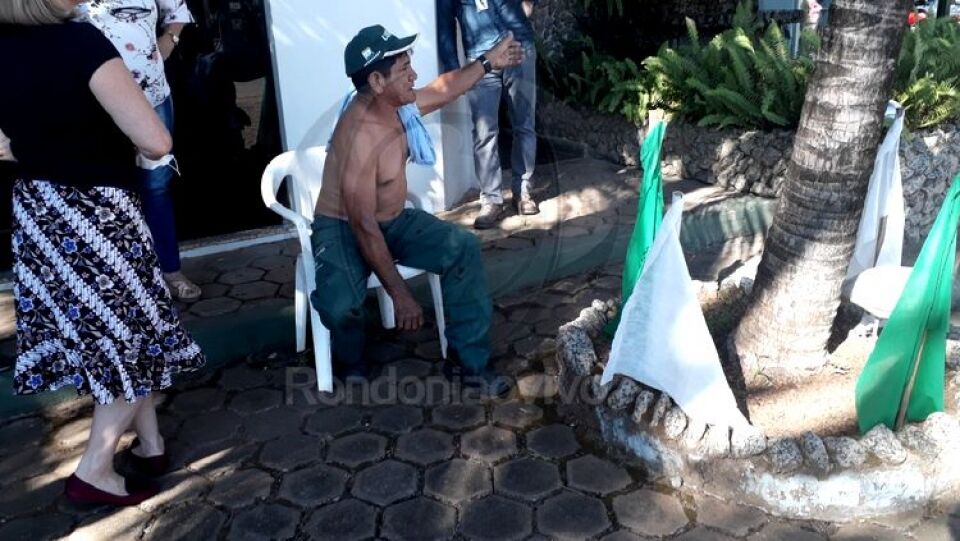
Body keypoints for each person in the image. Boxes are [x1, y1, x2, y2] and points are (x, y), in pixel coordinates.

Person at [0, 0, 205, 505]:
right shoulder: (82, 43)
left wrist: (36, 145)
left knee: (111, 334)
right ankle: (94, 471)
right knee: (131, 337)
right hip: (96, 216)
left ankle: (152, 446)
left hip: (39, 214)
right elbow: (156, 141)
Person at [312, 24, 523, 395]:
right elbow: (362, 225)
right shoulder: (359, 135)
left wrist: (488, 62)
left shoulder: (398, 106)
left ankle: (467, 362)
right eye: (404, 70)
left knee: (463, 247)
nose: (414, 75)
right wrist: (401, 293)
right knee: (341, 305)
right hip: (344, 228)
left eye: (411, 64)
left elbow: (446, 89)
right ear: (376, 81)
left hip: (392, 221)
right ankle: (349, 357)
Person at [76, 0, 202, 301]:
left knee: (156, 187)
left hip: (151, 94)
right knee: (104, 189)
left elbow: (178, 12)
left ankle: (169, 272)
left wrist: (167, 42)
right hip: (93, 102)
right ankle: (118, 283)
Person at [438, 0, 539, 229]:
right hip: (480, 59)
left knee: (524, 124)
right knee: (484, 132)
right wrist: (454, 73)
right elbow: (444, 23)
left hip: (519, 46)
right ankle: (491, 200)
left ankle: (523, 192)